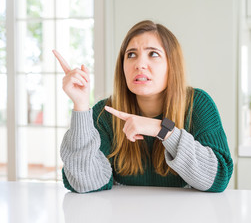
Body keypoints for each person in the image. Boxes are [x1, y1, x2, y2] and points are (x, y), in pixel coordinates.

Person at [53, 20, 233, 193]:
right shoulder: (105, 113)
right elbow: (84, 182)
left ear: (172, 64)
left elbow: (218, 179)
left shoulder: (197, 105)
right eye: (131, 54)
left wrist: (161, 130)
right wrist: (81, 105)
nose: (139, 64)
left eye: (153, 54)